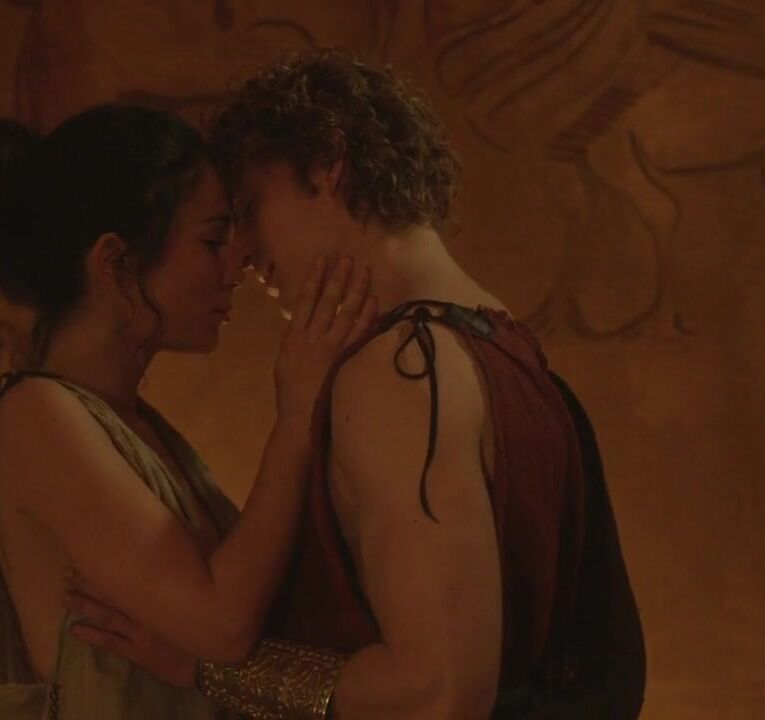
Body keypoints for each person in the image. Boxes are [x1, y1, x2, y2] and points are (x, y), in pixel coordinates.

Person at [67, 50, 647, 719]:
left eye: (251, 208)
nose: (243, 254)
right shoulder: (508, 347)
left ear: (326, 166)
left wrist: (208, 671)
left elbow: (440, 693)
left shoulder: (399, 373)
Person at [0, 104, 377, 719]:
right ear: (115, 262)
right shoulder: (36, 417)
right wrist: (296, 415)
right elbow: (223, 625)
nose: (238, 266)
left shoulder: (136, 426)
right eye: (212, 240)